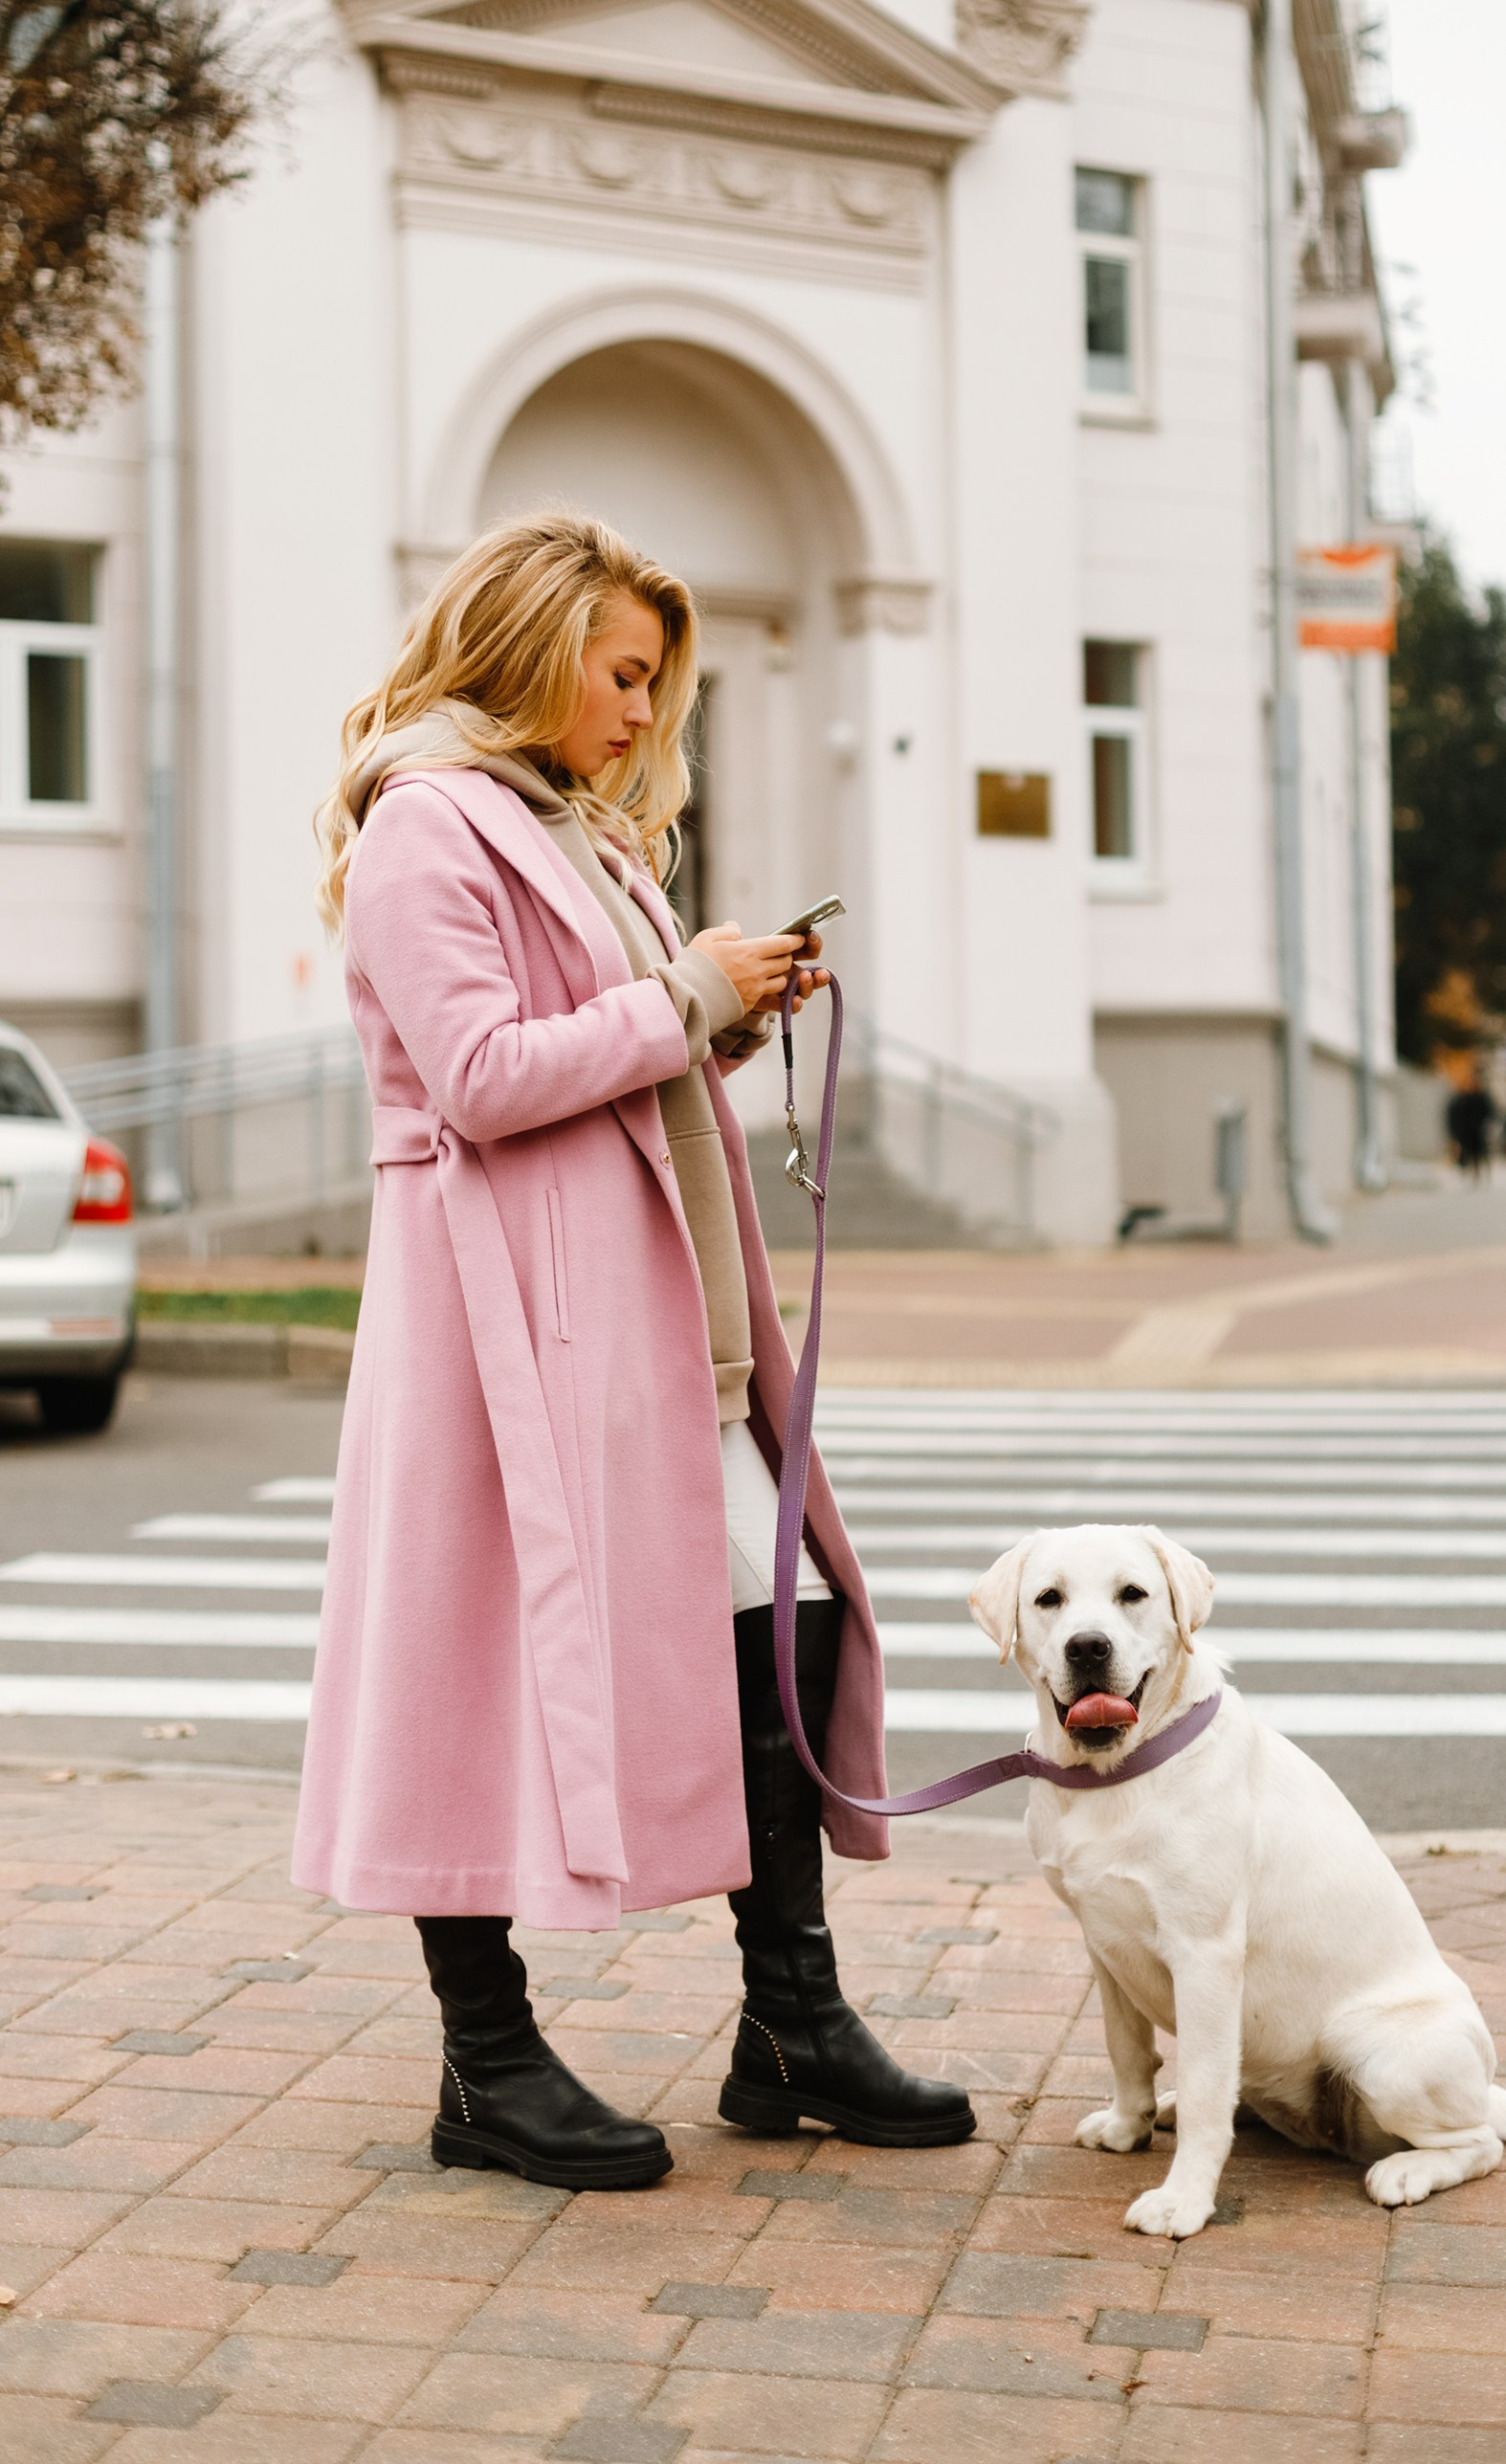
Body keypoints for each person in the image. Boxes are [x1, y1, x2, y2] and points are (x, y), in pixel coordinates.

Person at [294, 511, 972, 2192]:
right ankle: (489, 2057)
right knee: (456, 1667)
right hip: (495, 1323)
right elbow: (480, 1076)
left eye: (652, 680)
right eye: (619, 672)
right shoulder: (423, 826)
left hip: (646, 1316)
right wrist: (685, 994)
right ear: (530, 648)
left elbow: (610, 1062)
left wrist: (726, 1011)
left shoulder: (579, 831)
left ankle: (791, 2025)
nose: (636, 710)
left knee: (782, 1615)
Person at [1446, 1078, 1496, 1181]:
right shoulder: (1462, 1099)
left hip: (1479, 1130)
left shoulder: (1481, 1098)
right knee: (1468, 1152)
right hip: (1467, 1131)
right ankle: (1470, 1171)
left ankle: (1479, 1172)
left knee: (1480, 1152)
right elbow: (1457, 1117)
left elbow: (1490, 1113)